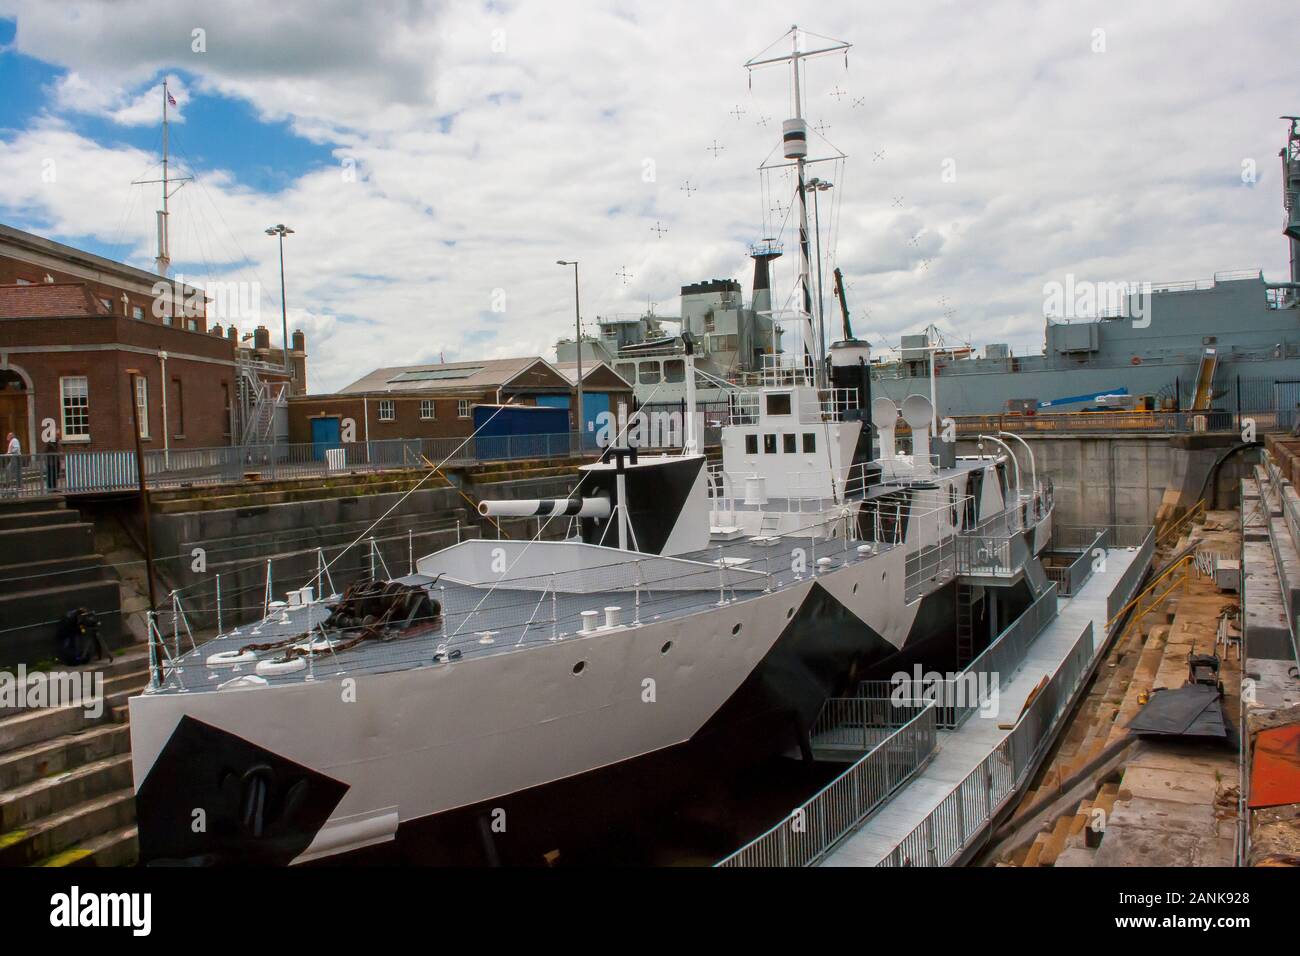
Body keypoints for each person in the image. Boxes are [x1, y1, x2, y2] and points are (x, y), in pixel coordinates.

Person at [44, 427, 60, 491]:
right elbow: (46, 450)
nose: (58, 436)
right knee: (51, 474)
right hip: (51, 461)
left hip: (54, 461)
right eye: (57, 435)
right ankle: (50, 488)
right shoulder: (51, 441)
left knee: (55, 475)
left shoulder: (55, 442)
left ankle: (54, 488)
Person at [4, 431, 20, 496]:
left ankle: (12, 485)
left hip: (15, 456)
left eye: (8, 435)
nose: (7, 436)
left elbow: (16, 448)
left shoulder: (14, 440)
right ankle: (15, 485)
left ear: (12, 436)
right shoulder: (12, 441)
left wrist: (9, 453)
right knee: (12, 470)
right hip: (13, 457)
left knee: (9, 470)